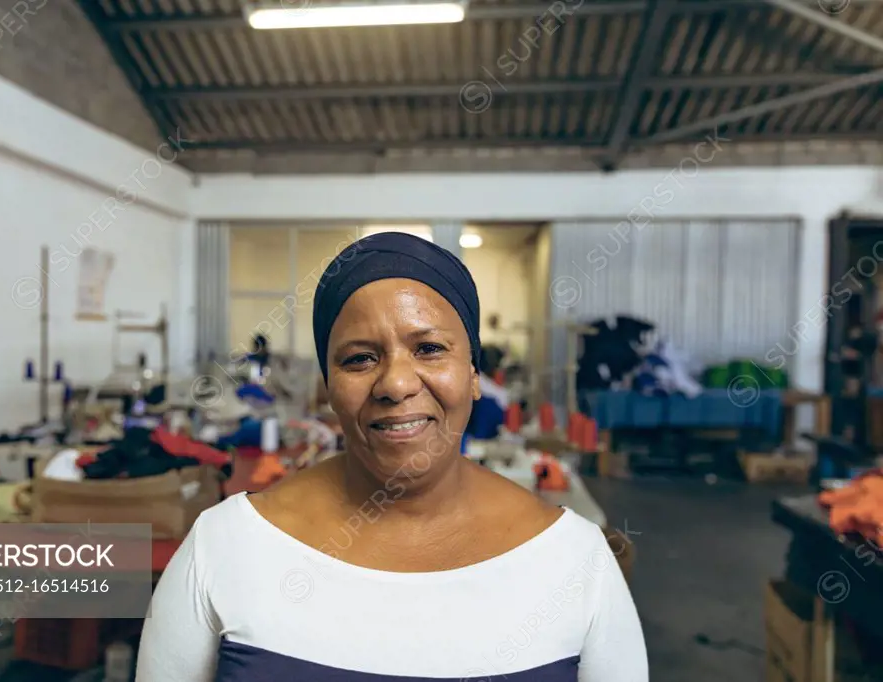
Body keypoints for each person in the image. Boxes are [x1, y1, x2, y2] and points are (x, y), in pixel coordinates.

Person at [136, 232, 648, 682]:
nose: (397, 384)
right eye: (359, 358)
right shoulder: (223, 548)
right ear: (329, 388)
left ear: (473, 375)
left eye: (429, 349)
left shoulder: (576, 563)